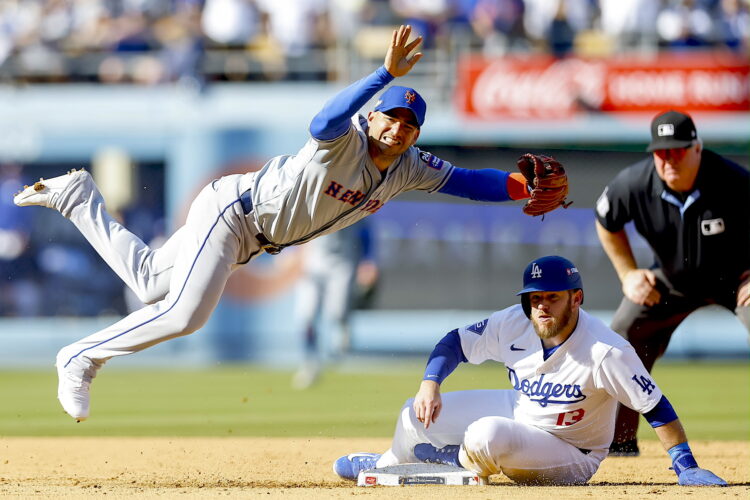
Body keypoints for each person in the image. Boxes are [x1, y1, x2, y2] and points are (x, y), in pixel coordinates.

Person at [12, 25, 568, 422]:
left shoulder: (409, 168)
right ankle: (80, 356)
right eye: (392, 117)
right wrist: (383, 74)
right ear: (372, 116)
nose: (399, 129)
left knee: (150, 279)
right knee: (185, 315)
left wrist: (522, 190)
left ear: (417, 135)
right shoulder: (343, 140)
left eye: (410, 124)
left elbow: (470, 182)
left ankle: (77, 197)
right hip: (234, 212)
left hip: (254, 239)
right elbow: (320, 119)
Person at [333, 256, 727, 487]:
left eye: (552, 298)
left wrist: (685, 466)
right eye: (534, 298)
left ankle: (458, 462)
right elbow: (453, 343)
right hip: (520, 410)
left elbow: (655, 406)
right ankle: (387, 464)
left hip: (572, 450)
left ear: (577, 299)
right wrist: (429, 384)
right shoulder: (515, 322)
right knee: (413, 413)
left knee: (486, 435)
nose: (541, 307)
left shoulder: (606, 350)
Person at [594, 110, 750, 456]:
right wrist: (628, 274)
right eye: (662, 152)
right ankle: (619, 444)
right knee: (621, 332)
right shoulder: (633, 184)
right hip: (671, 279)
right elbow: (606, 221)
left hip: (735, 279)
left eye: (678, 149)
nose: (669, 159)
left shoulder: (733, 181)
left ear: (697, 147)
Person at [292, 219, 378, 389]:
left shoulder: (351, 197)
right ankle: (310, 362)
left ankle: (342, 333)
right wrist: (290, 253)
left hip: (342, 262)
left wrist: (368, 260)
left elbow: (366, 232)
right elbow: (297, 226)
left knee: (337, 312)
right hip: (313, 263)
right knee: (305, 316)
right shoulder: (313, 197)